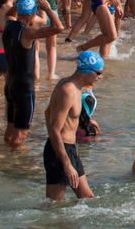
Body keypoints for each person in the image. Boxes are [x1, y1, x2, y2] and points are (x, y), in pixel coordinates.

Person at [3, 0, 64, 147]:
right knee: (21, 134)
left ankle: (5, 155)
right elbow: (58, 28)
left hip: (10, 85)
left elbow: (9, 13)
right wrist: (48, 9)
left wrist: (19, 3)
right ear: (32, 13)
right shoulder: (27, 33)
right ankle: (13, 165)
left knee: (10, 128)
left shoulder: (9, 25)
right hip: (24, 89)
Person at [42, 51, 104, 201]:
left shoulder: (72, 87)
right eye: (99, 73)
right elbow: (55, 129)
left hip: (68, 150)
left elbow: (47, 113)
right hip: (59, 152)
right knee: (53, 205)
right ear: (88, 71)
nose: (100, 77)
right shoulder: (68, 90)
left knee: (87, 198)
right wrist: (66, 163)